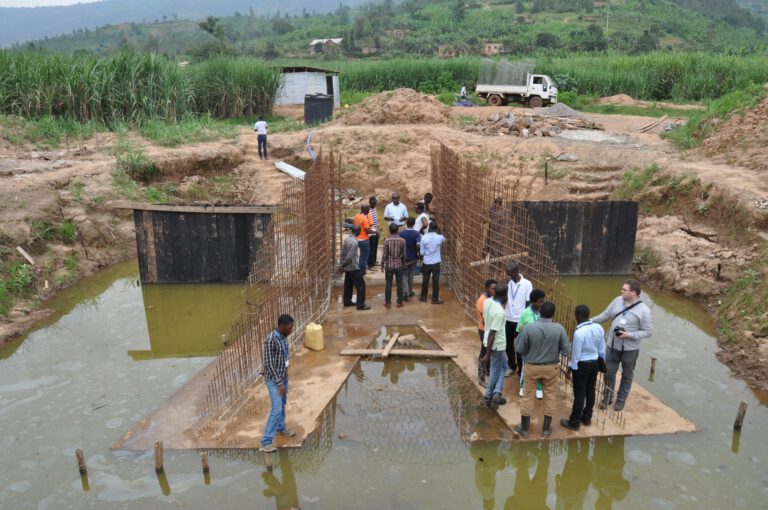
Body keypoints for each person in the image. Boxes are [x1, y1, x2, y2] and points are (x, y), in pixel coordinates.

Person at [592, 278, 653, 412]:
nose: (621, 291)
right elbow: (605, 315)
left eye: (624, 290)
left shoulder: (644, 311)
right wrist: (589, 321)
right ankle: (607, 397)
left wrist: (629, 335)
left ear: (634, 293)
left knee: (627, 375)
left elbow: (648, 332)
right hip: (612, 346)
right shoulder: (617, 301)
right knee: (608, 373)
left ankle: (620, 400)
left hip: (630, 349)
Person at [514, 301, 570, 438]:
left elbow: (519, 349)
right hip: (551, 368)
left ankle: (525, 429)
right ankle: (545, 430)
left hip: (532, 366)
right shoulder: (559, 328)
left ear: (540, 312)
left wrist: (530, 351)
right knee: (550, 396)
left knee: (528, 396)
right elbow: (566, 351)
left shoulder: (529, 328)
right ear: (553, 314)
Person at [561, 304, 605, 431]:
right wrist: (600, 362)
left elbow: (575, 356)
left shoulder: (579, 333)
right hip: (595, 363)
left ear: (578, 316)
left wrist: (569, 370)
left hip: (582, 365)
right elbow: (602, 349)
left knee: (579, 394)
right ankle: (587, 418)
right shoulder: (598, 328)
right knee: (590, 391)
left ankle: (574, 422)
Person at [260, 314, 296, 452]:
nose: (291, 329)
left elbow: (280, 357)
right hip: (274, 380)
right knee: (277, 409)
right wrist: (280, 383)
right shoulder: (270, 340)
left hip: (283, 376)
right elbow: (269, 364)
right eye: (289, 327)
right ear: (281, 326)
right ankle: (266, 441)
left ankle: (281, 429)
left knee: (282, 404)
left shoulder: (283, 337)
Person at [481, 283, 509, 409]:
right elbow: (493, 333)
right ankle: (489, 396)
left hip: (489, 340)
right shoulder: (500, 312)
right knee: (495, 369)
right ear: (504, 295)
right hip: (497, 344)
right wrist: (487, 354)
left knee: (504, 365)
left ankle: (497, 392)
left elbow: (485, 319)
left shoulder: (488, 302)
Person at [516, 288, 546, 399]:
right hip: (528, 347)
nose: (542, 303)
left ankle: (539, 388)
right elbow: (519, 329)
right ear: (533, 301)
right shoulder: (525, 313)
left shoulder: (544, 313)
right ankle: (523, 387)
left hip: (541, 346)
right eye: (539, 301)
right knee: (526, 367)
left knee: (540, 367)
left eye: (543, 301)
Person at [504, 262, 532, 378]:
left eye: (509, 273)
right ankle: (512, 366)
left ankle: (521, 370)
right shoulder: (510, 282)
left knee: (519, 347)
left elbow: (528, 303)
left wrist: (524, 321)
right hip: (508, 319)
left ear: (515, 272)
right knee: (508, 345)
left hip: (519, 321)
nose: (507, 275)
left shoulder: (527, 284)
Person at [339, 225, 370, 310]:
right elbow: (349, 256)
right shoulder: (355, 242)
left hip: (348, 267)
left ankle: (347, 301)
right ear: (357, 232)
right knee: (361, 285)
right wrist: (343, 265)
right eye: (360, 230)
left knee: (348, 285)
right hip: (353, 267)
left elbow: (342, 253)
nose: (360, 232)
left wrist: (342, 264)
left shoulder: (347, 240)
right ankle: (360, 305)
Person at [476, 279, 497, 386]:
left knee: (488, 352)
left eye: (496, 288)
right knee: (484, 353)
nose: (495, 290)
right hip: (484, 330)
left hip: (488, 330)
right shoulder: (483, 301)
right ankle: (481, 377)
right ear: (487, 289)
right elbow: (485, 321)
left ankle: (487, 373)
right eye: (493, 288)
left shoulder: (490, 298)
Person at [419, 220, 445, 304]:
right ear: (436, 228)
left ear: (429, 228)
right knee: (436, 280)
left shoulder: (424, 238)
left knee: (425, 279)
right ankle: (435, 299)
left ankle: (423, 297)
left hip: (426, 262)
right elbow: (444, 239)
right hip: (436, 262)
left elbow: (422, 252)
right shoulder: (440, 237)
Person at [381, 223, 406, 308]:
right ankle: (400, 302)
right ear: (397, 230)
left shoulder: (387, 241)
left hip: (389, 265)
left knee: (388, 284)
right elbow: (404, 254)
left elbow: (385, 255)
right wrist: (404, 264)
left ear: (390, 230)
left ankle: (388, 303)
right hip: (399, 265)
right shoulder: (403, 240)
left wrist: (382, 263)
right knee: (400, 284)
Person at [398, 216, 421, 299]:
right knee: (411, 276)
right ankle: (410, 291)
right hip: (413, 258)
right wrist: (419, 254)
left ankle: (405, 292)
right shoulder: (416, 233)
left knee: (404, 275)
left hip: (404, 258)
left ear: (406, 223)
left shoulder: (401, 233)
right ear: (414, 224)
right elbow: (418, 245)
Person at [353, 204, 374, 273]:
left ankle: (358, 268)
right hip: (364, 239)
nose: (369, 210)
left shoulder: (356, 216)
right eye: (368, 209)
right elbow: (367, 230)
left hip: (356, 238)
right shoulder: (364, 218)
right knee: (364, 256)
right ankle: (361, 271)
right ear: (365, 210)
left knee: (358, 255)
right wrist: (376, 232)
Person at [367, 196, 380, 268]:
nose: (374, 205)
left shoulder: (374, 209)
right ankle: (370, 264)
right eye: (373, 204)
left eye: (375, 203)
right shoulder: (367, 210)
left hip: (376, 231)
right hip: (371, 232)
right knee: (371, 248)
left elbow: (376, 220)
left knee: (375, 247)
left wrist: (377, 230)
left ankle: (374, 261)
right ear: (369, 203)